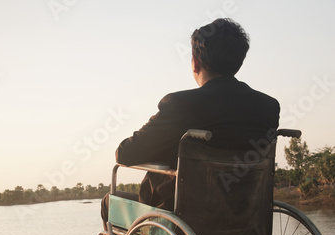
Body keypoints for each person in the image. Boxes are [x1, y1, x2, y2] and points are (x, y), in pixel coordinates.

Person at [101, 18, 280, 223]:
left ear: (195, 62)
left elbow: (125, 154)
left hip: (184, 218)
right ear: (238, 62)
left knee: (110, 201)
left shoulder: (180, 104)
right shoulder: (268, 106)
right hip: (242, 216)